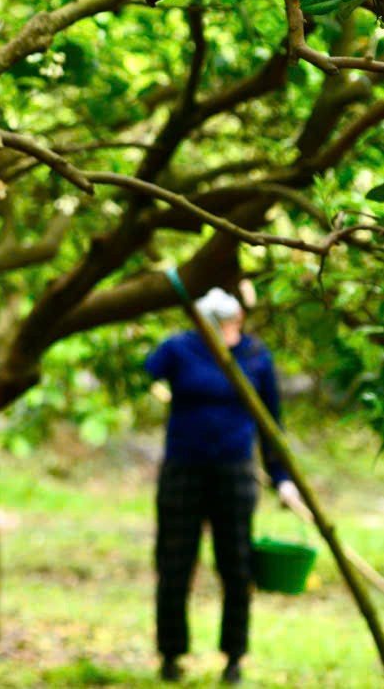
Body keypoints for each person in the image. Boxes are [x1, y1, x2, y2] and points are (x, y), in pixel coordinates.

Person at [145, 287, 299, 685]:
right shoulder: (182, 348)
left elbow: (271, 424)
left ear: (240, 319)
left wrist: (282, 479)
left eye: (230, 321)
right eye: (216, 322)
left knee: (235, 565)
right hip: (183, 468)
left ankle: (234, 657)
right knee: (175, 564)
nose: (227, 328)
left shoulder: (254, 356)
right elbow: (148, 368)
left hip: (234, 470)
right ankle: (170, 654)